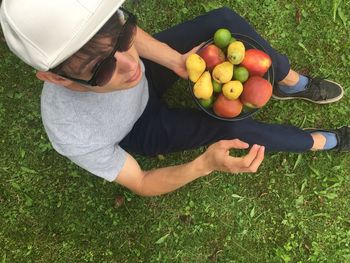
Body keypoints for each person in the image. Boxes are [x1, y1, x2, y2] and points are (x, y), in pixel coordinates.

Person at [0, 1, 348, 197]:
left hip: (157, 76)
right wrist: (204, 165)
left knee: (223, 20)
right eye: (100, 68)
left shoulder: (102, 31)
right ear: (55, 78)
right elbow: (141, 182)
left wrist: (172, 59)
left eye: (121, 38)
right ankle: (322, 141)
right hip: (142, 127)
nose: (130, 64)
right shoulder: (70, 132)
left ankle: (288, 81)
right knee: (238, 129)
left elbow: (127, 45)